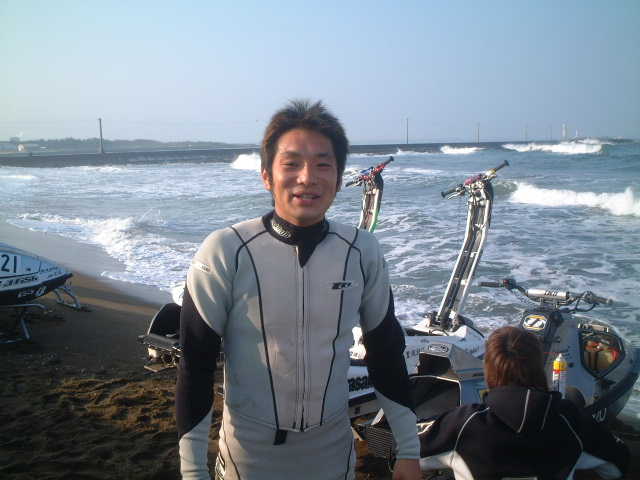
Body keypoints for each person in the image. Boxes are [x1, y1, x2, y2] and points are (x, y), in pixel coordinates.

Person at [176, 100, 421, 479]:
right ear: (267, 176)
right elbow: (195, 363)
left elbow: (386, 353)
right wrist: (193, 471)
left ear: (338, 178)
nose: (307, 177)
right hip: (249, 457)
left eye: (323, 164)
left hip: (332, 453)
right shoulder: (226, 250)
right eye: (291, 163)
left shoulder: (362, 251)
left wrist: (408, 450)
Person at [418, 326, 629, 479]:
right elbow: (617, 466)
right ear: (538, 367)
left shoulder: (463, 424)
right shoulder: (570, 419)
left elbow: (408, 456)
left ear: (488, 370)